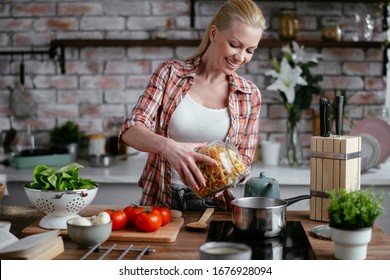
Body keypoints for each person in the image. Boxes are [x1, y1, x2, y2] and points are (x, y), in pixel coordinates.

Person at [119, 0, 266, 210]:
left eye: (250, 50)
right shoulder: (171, 74)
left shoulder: (249, 95)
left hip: (213, 208)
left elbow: (243, 165)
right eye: (234, 44)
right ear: (214, 34)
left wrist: (228, 170)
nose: (240, 57)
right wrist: (169, 147)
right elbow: (130, 130)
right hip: (161, 200)